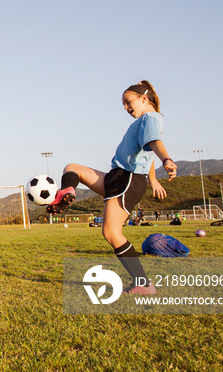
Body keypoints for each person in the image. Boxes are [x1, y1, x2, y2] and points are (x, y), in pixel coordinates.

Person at [46, 80, 177, 295]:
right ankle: (67, 193)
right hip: (117, 176)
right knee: (72, 168)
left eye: (128, 102)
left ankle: (144, 285)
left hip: (128, 180)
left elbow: (155, 143)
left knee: (111, 232)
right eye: (123, 104)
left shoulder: (151, 117)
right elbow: (147, 152)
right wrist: (153, 179)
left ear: (144, 99)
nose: (126, 108)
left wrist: (167, 160)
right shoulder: (144, 120)